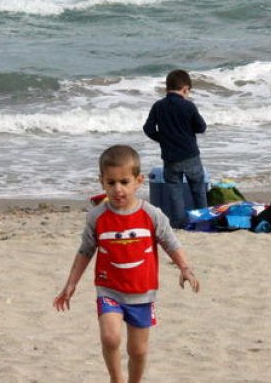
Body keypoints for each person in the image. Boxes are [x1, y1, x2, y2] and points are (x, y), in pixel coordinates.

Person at [53, 145, 200, 383]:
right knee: (110, 337)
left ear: (138, 181)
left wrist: (185, 268)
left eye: (124, 181)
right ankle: (116, 379)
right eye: (111, 183)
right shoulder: (97, 217)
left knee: (138, 350)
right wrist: (71, 284)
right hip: (109, 288)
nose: (118, 189)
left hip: (142, 292)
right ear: (102, 182)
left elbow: (171, 242)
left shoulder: (152, 215)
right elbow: (85, 251)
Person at [142, 69, 208, 228]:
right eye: (188, 92)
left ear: (167, 89)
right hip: (190, 155)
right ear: (185, 89)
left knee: (175, 191)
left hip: (170, 157)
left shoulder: (158, 106)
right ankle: (202, 221)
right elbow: (201, 127)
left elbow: (148, 129)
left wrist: (163, 139)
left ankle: (178, 223)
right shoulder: (188, 106)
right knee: (198, 189)